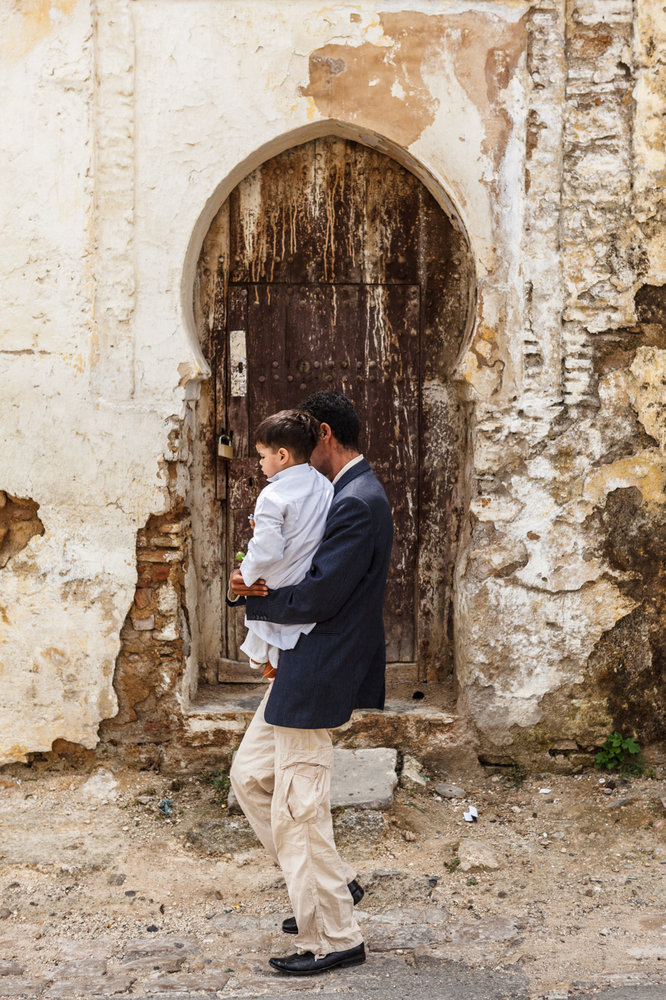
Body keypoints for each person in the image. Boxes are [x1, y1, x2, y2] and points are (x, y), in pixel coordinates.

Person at [228, 390, 393, 977]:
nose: (286, 458)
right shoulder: (344, 493)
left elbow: (322, 593)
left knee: (298, 811)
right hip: (300, 665)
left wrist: (254, 600)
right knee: (250, 778)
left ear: (324, 434)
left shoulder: (356, 500)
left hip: (318, 667)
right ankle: (335, 885)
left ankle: (332, 934)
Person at [236, 409, 333, 679]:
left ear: (282, 456)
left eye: (262, 456)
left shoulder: (272, 495)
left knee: (261, 595)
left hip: (280, 581)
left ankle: (263, 658)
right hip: (306, 578)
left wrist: (245, 575)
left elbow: (267, 550)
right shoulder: (324, 485)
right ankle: (265, 658)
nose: (260, 464)